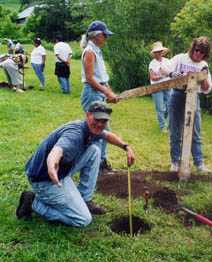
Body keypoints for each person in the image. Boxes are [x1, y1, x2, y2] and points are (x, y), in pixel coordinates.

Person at [16, 101, 135, 227]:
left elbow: (107, 135)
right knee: (83, 219)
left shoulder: (90, 129)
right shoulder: (75, 134)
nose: (100, 124)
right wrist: (52, 164)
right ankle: (33, 203)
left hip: (61, 170)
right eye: (97, 119)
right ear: (88, 115)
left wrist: (126, 147)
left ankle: (85, 199)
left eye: (104, 121)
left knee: (94, 151)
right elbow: (58, 150)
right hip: (45, 179)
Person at [168, 36, 212, 173]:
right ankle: (175, 162)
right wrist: (177, 74)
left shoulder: (203, 65)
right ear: (193, 48)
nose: (199, 54)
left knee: (195, 132)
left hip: (194, 97)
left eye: (203, 53)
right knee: (175, 130)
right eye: (197, 50)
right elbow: (165, 70)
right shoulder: (180, 58)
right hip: (177, 95)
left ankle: (199, 164)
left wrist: (203, 77)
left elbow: (206, 89)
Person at [80, 20, 118, 172]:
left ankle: (100, 162)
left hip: (98, 92)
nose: (106, 38)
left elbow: (101, 76)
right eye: (104, 35)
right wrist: (106, 92)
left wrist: (108, 90)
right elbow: (90, 78)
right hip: (92, 93)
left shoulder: (96, 50)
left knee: (101, 129)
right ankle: (97, 164)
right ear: (96, 36)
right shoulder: (89, 52)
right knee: (99, 130)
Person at [149, 41, 171, 132]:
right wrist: (162, 75)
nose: (158, 53)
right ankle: (163, 126)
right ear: (154, 53)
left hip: (168, 85)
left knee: (169, 106)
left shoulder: (168, 61)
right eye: (156, 52)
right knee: (160, 108)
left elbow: (171, 73)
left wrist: (165, 74)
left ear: (162, 52)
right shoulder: (152, 63)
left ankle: (168, 124)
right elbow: (152, 78)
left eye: (159, 51)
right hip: (156, 87)